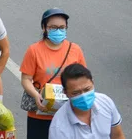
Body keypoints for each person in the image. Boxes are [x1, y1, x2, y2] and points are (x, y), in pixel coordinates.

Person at [20, 8, 87, 139]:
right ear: (44, 28)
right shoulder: (34, 50)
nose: (58, 31)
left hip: (68, 112)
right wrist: (36, 95)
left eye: (62, 27)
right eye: (53, 27)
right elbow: (26, 79)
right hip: (40, 112)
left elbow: (84, 79)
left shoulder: (75, 50)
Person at [49, 64, 125, 139]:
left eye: (87, 89)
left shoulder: (106, 102)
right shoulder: (59, 127)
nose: (84, 96)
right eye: (76, 93)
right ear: (65, 92)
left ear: (93, 82)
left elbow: (117, 136)